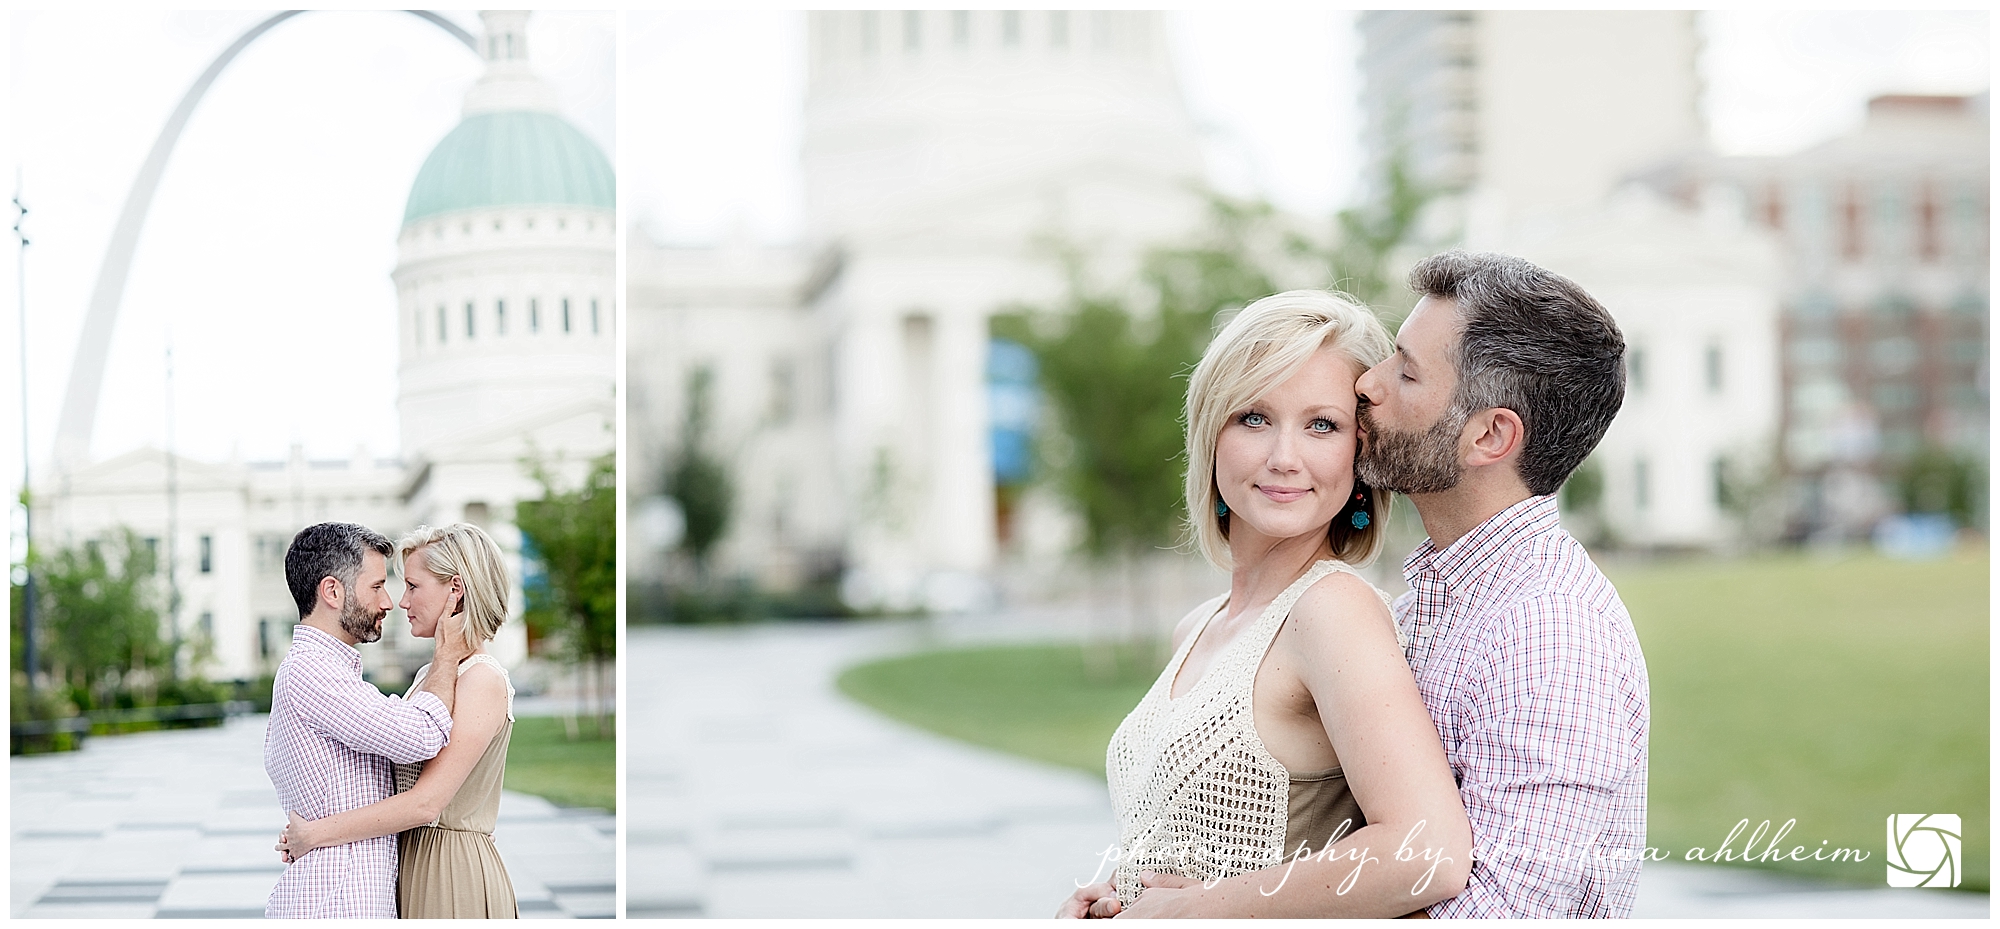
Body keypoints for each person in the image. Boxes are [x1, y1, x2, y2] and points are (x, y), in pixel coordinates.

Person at [1060, 290, 1473, 919]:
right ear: (1211, 434)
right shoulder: (1197, 628)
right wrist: (1122, 895)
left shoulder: (1333, 610)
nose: (1284, 458)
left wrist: (1183, 914)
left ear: (1359, 457)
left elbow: (1426, 855)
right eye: (1254, 417)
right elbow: (1203, 856)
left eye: (1322, 425)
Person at [1352, 251, 1649, 917]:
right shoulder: (1442, 600)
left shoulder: (1550, 630)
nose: (1367, 384)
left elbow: (1503, 913)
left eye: (1405, 371)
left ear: (1488, 434)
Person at [277, 523, 522, 918]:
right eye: (385, 587)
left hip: (451, 874)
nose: (399, 602)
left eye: (412, 586)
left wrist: (314, 834)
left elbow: (426, 802)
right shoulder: (432, 676)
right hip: (409, 869)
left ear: (455, 590)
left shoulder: (481, 680)